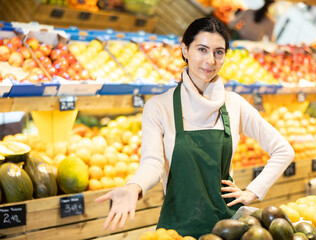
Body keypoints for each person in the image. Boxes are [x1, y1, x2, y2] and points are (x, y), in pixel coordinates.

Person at [95, 17, 295, 238]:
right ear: (185, 50)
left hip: (228, 227)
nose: (210, 60)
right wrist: (134, 187)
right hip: (179, 228)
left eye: (219, 52)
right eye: (202, 49)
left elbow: (283, 150)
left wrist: (253, 192)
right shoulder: (159, 107)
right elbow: (152, 162)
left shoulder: (234, 104)